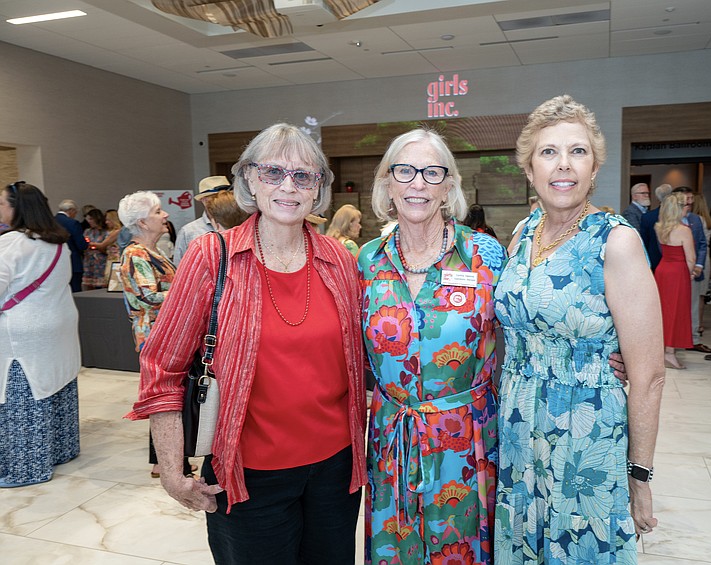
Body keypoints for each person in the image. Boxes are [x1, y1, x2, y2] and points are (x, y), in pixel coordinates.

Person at [128, 123, 365, 564]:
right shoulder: (211, 256)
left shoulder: (341, 261)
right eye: (273, 172)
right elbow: (162, 367)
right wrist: (173, 469)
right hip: (247, 472)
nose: (288, 187)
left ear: (319, 189)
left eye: (303, 176)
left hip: (336, 470)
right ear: (249, 180)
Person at [493, 94, 665, 562]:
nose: (563, 165)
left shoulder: (617, 241)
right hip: (518, 426)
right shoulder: (523, 232)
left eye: (578, 151)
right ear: (529, 170)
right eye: (548, 152)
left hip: (585, 432)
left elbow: (649, 374)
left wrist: (640, 477)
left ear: (594, 168)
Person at [359, 128, 505, 564]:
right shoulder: (367, 260)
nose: (417, 183)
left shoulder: (484, 255)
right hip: (393, 437)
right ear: (387, 184)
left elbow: (526, 330)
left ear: (449, 186)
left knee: (459, 548)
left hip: (466, 437)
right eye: (404, 171)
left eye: (431, 172)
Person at [0, 183, 80, 487]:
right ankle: (62, 449)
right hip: (59, 323)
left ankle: (27, 468)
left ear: (17, 208)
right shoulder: (59, 241)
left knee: (23, 395)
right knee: (57, 384)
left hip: (24, 332)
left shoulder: (11, 244)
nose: (0, 209)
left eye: (2, 204)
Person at [118, 191, 193, 479]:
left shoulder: (149, 251)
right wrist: (190, 287)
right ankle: (169, 463)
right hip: (157, 337)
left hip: (164, 334)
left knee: (167, 397)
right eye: (158, 211)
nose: (165, 215)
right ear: (142, 222)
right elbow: (148, 296)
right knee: (166, 398)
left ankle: (166, 461)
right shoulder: (136, 254)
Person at [655, 192, 695, 368]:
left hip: (663, 270)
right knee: (676, 310)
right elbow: (691, 258)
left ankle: (662, 350)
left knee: (663, 310)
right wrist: (691, 273)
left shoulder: (659, 227)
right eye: (685, 205)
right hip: (678, 272)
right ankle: (670, 353)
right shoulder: (684, 230)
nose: (688, 208)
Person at [671, 186, 711, 354]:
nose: (689, 202)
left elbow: (702, 244)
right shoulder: (666, 220)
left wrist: (698, 266)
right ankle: (670, 340)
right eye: (685, 199)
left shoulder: (697, 220)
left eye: (690, 199)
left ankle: (693, 339)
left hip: (693, 270)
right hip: (674, 269)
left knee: (694, 304)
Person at [172, 176, 230, 264]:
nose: (221, 201)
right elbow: (179, 267)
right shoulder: (189, 231)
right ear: (203, 200)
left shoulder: (241, 225)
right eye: (215, 197)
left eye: (224, 197)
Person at [691, 193, 711, 334]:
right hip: (706, 257)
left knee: (695, 294)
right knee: (701, 294)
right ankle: (699, 324)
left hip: (697, 257)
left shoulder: (696, 220)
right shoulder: (707, 220)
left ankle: (694, 325)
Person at [54, 199, 88, 292]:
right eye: (75, 212)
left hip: (55, 262)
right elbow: (81, 244)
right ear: (71, 210)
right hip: (73, 261)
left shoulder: (51, 221)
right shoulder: (72, 223)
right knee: (75, 290)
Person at [639, 183, 673, 270]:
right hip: (674, 261)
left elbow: (644, 241)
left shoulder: (647, 217)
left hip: (654, 260)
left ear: (657, 198)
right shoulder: (678, 215)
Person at [82, 208, 110, 290]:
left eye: (91, 219)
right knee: (88, 286)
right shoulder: (87, 231)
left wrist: (95, 245)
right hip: (89, 261)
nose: (89, 221)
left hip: (101, 262)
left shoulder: (106, 232)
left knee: (100, 287)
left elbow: (106, 248)